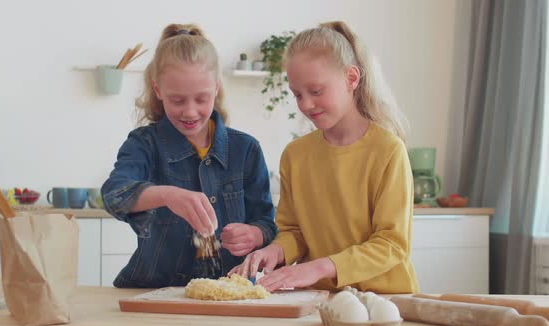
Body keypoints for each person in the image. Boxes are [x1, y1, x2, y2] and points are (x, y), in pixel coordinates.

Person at [230, 21, 419, 294]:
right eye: (297, 94)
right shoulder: (295, 155)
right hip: (320, 298)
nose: (306, 104)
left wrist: (318, 267)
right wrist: (276, 250)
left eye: (316, 91)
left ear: (351, 79)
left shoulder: (388, 150)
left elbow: (392, 244)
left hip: (386, 300)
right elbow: (294, 231)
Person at [102, 23, 277, 288]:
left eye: (201, 99)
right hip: (153, 291)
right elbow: (114, 195)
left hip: (230, 292)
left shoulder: (246, 150)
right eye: (178, 100)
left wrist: (254, 234)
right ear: (158, 90)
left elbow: (267, 223)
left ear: (216, 88)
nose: (190, 112)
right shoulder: (144, 144)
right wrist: (167, 195)